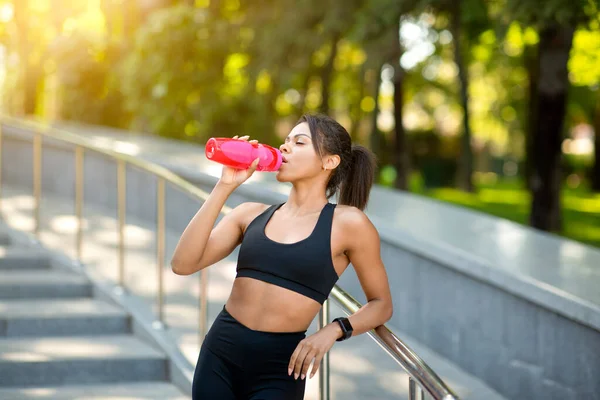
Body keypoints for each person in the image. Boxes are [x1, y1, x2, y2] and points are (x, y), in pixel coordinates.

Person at [171, 113, 393, 400]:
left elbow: (382, 305)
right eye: (285, 141)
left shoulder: (349, 224)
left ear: (330, 161)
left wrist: (333, 331)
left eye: (299, 142)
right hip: (219, 354)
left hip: (281, 367)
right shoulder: (249, 214)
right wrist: (225, 185)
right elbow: (182, 264)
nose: (284, 147)